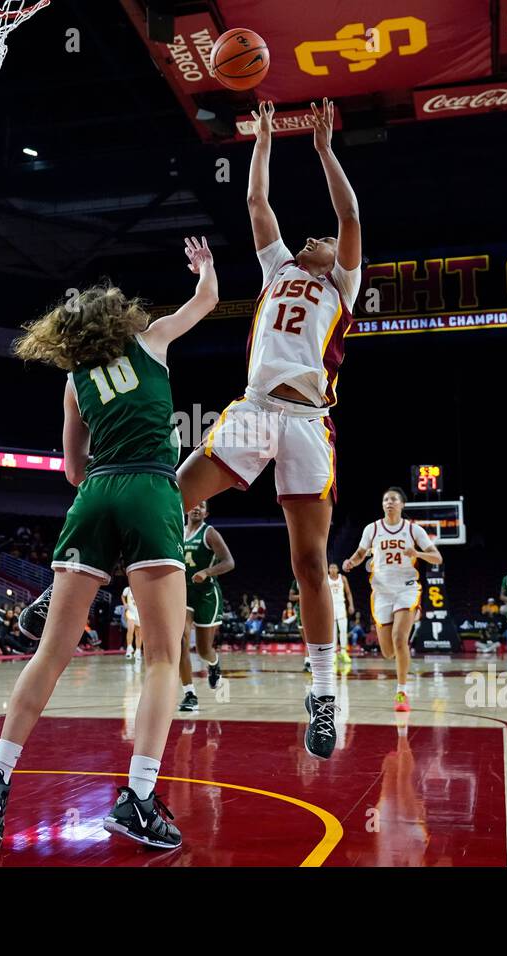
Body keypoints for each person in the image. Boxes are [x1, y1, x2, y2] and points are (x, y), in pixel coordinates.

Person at [0, 235, 217, 851]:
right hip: (151, 491)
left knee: (50, 653)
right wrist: (204, 269)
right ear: (118, 317)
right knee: (162, 657)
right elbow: (206, 301)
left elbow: (73, 470)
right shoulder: (152, 339)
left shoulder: (76, 380)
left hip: (95, 496)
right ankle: (138, 797)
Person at [170, 98, 361, 759]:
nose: (320, 237)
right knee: (172, 496)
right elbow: (256, 205)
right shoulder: (278, 266)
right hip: (255, 410)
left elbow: (350, 217)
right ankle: (70, 588)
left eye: (326, 240)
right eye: (314, 237)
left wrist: (324, 149)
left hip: (309, 423)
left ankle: (324, 697)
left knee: (309, 563)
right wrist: (264, 139)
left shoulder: (342, 283)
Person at [341, 487, 441, 712]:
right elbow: (359, 554)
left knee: (399, 639)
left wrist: (418, 554)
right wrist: (350, 562)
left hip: (406, 589)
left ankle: (402, 692)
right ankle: (401, 656)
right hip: (382, 592)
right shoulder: (373, 529)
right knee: (388, 652)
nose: (389, 502)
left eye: (394, 499)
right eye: (386, 499)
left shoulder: (413, 530)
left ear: (402, 505)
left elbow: (437, 557)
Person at [178, 501, 235, 712]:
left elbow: (229, 562)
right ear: (186, 509)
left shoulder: (209, 533)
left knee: (203, 650)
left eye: (201, 506)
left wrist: (206, 572)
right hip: (183, 593)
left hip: (206, 595)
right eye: (193, 504)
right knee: (181, 639)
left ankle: (214, 663)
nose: (196, 508)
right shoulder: (177, 530)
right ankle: (189, 694)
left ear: (206, 512)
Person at [328, 561, 355, 665]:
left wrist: (351, 605)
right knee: (333, 631)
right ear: (329, 569)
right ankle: (334, 653)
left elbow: (348, 593)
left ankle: (343, 652)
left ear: (338, 569)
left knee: (343, 629)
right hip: (330, 606)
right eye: (331, 567)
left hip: (341, 606)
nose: (333, 569)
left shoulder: (342, 578)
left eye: (335, 567)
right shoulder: (326, 579)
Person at [121, 582, 142, 662]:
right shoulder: (128, 589)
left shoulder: (142, 589)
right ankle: (129, 648)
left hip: (139, 613)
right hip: (131, 612)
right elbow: (122, 596)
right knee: (130, 629)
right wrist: (125, 604)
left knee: (139, 634)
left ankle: (138, 651)